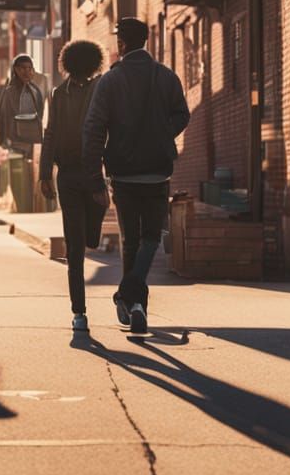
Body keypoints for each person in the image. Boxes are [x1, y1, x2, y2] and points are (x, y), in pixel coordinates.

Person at [83, 18, 190, 335]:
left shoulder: (109, 81)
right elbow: (182, 114)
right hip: (157, 171)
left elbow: (93, 129)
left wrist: (94, 175)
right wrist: (162, 135)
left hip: (123, 174)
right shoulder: (165, 76)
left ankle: (129, 298)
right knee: (151, 238)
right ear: (146, 41)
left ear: (122, 44)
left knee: (131, 241)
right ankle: (136, 304)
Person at [39, 40, 107, 333]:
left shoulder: (99, 89)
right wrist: (44, 173)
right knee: (75, 247)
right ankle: (79, 312)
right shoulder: (58, 94)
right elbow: (50, 132)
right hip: (67, 174)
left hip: (91, 172)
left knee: (89, 237)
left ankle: (92, 235)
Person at [0, 54, 45, 156]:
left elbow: (41, 115)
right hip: (15, 144)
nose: (26, 72)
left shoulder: (35, 90)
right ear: (16, 70)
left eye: (29, 68)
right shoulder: (9, 92)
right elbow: (4, 118)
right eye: (23, 68)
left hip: (34, 141)